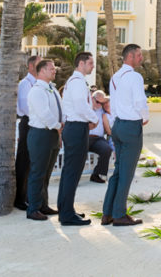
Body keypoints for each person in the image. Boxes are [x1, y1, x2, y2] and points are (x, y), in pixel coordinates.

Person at [102, 43, 149, 227]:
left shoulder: (115, 77)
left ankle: (107, 213)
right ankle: (119, 214)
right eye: (139, 55)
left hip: (118, 126)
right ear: (130, 56)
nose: (141, 58)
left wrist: (115, 122)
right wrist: (145, 117)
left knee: (118, 171)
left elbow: (112, 104)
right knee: (126, 173)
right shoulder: (135, 77)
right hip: (130, 127)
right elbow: (140, 101)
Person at [57, 52, 99, 226]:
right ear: (81, 63)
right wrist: (95, 118)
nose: (93, 66)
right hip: (75, 127)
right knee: (72, 171)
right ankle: (66, 214)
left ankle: (66, 209)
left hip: (76, 127)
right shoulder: (77, 82)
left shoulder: (77, 81)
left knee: (71, 171)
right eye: (90, 63)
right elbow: (81, 106)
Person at [25, 59, 63, 221]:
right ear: (41, 71)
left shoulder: (51, 89)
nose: (54, 71)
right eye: (51, 68)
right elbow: (44, 114)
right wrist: (57, 125)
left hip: (52, 134)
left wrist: (59, 131)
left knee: (46, 174)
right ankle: (33, 208)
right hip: (41, 134)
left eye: (54, 68)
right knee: (37, 173)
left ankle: (43, 205)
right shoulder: (37, 91)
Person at [13, 54, 39, 211]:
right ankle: (19, 198)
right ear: (30, 66)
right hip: (28, 122)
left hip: (36, 123)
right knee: (23, 160)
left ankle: (29, 195)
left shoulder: (38, 83)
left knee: (33, 161)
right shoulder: (25, 84)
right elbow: (24, 106)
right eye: (38, 64)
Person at [87, 90, 112, 183]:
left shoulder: (102, 110)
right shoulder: (85, 107)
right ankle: (74, 176)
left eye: (102, 103)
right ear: (92, 99)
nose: (99, 104)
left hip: (98, 139)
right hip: (85, 137)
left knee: (107, 149)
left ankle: (96, 174)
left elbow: (113, 102)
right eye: (97, 102)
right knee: (78, 151)